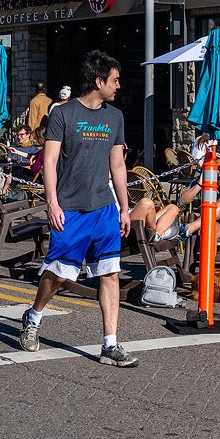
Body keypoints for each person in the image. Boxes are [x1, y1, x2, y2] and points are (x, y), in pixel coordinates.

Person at [19, 50, 138, 368]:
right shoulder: (62, 114)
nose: (118, 86)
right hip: (70, 209)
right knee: (57, 277)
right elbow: (51, 162)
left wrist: (124, 208)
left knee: (110, 274)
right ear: (98, 81)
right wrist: (52, 203)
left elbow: (117, 164)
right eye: (114, 80)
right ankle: (34, 316)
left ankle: (110, 344)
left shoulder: (115, 117)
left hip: (104, 209)